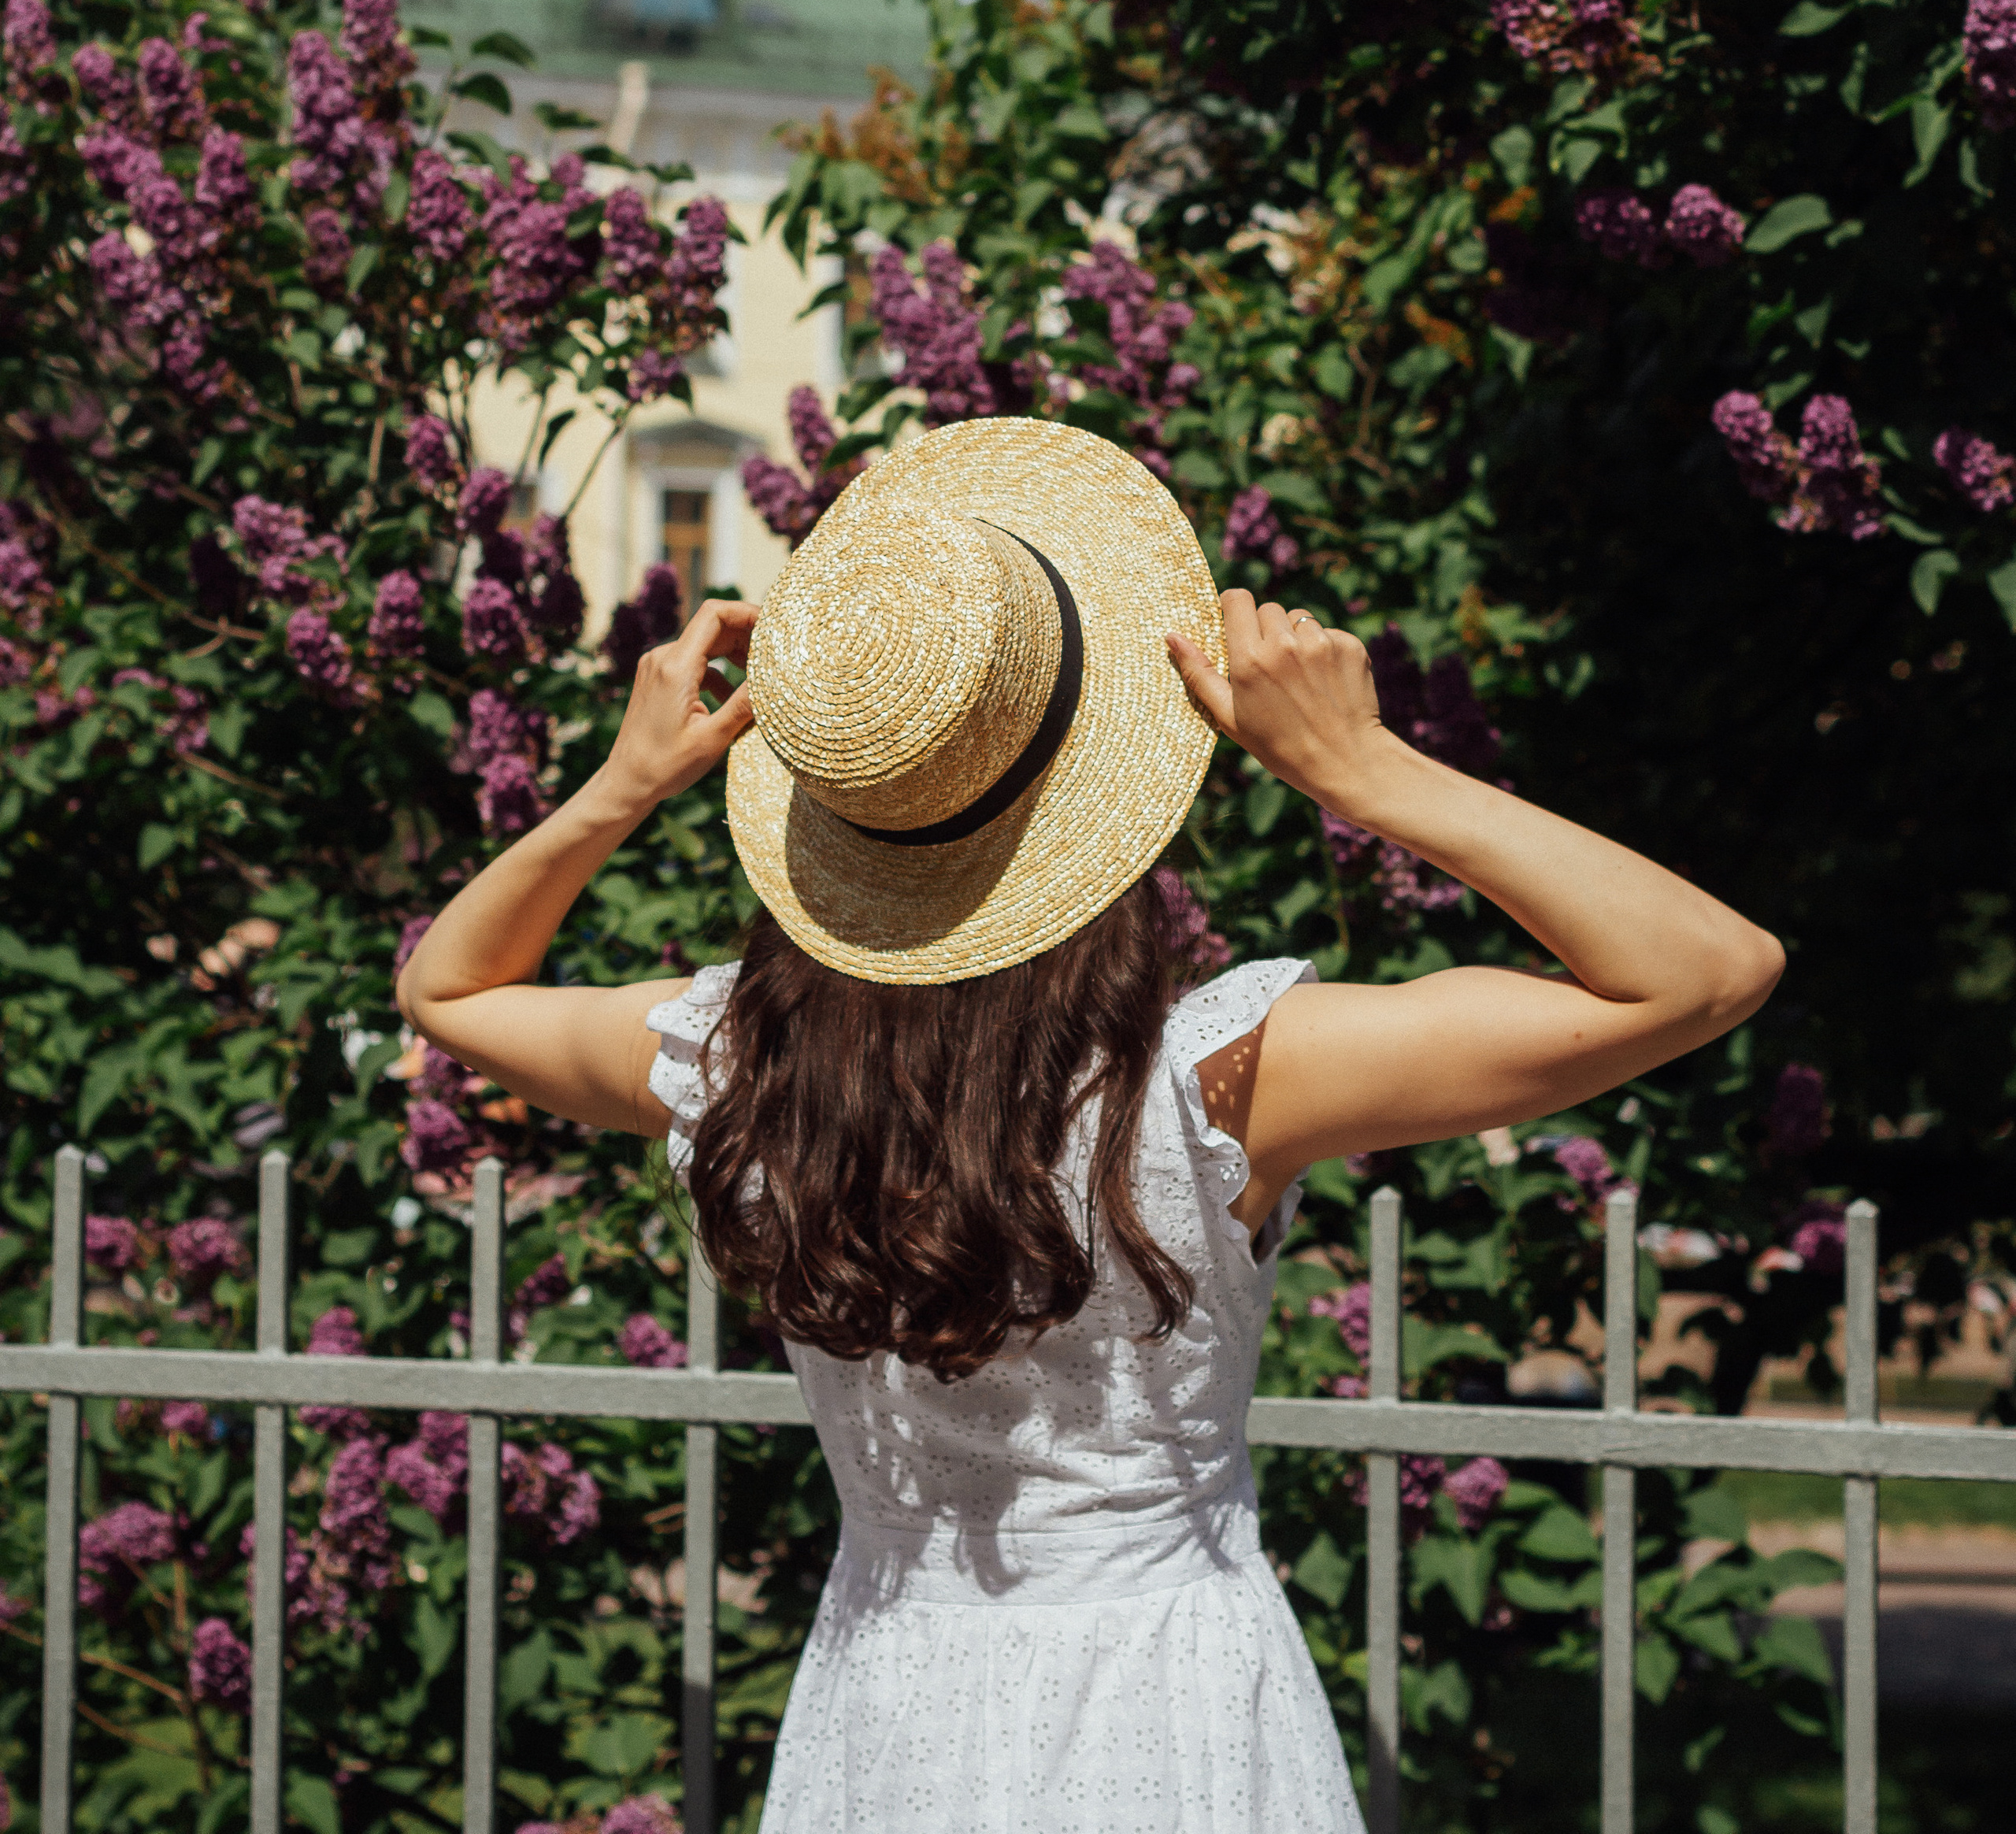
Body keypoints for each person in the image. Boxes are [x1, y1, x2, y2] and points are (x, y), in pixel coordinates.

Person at [398, 416, 1781, 1832]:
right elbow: (1705, 972)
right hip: (1174, 1717)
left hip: (887, 1720)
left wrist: (624, 786)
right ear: (1097, 794)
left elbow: (447, 985)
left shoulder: (737, 1069)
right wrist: (1366, 771)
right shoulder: (1211, 1080)